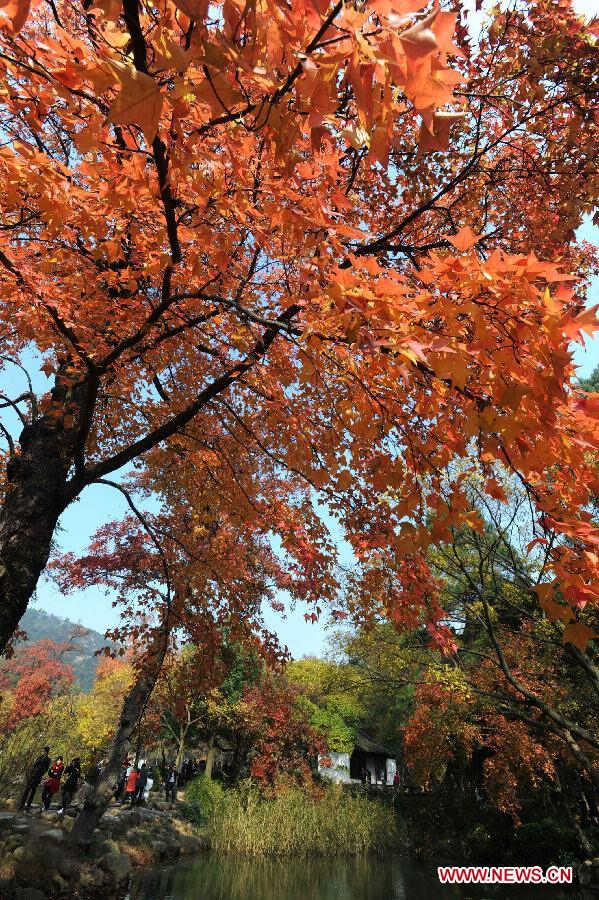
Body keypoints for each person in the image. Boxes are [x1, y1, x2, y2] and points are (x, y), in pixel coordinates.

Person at [19, 746, 51, 811]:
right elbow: (34, 764)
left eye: (44, 751)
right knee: (27, 789)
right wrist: (33, 770)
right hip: (32, 775)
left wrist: (40, 772)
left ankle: (28, 805)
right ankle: (21, 805)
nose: (42, 752)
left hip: (38, 776)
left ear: (46, 752)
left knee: (33, 790)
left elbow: (46, 769)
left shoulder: (48, 759)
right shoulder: (40, 757)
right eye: (42, 751)